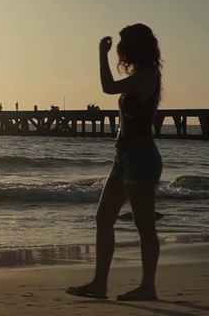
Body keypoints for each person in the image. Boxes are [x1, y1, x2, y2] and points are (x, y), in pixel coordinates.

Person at [66, 23, 163, 301]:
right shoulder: (141, 75)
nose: (120, 51)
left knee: (145, 225)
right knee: (103, 218)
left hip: (141, 157)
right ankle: (99, 283)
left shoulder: (146, 75)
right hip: (124, 157)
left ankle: (148, 287)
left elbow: (108, 87)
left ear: (134, 48)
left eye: (123, 46)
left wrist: (101, 54)